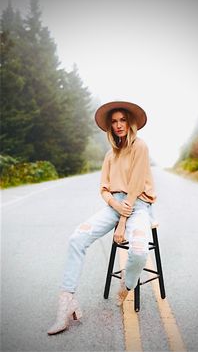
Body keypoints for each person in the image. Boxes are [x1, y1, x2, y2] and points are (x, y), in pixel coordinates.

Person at [47, 101, 157, 335]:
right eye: (114, 121)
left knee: (138, 251)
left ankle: (127, 283)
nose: (118, 125)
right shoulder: (110, 154)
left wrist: (123, 224)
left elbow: (136, 186)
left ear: (130, 123)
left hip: (138, 205)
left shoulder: (140, 146)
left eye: (123, 120)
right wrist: (114, 205)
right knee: (76, 238)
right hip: (115, 205)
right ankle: (67, 303)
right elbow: (104, 188)